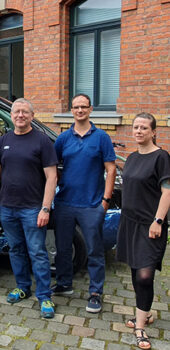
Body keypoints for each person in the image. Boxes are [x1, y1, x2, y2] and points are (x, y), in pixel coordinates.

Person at [0, 98, 58, 319]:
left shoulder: (42, 141)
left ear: (32, 116)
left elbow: (52, 176)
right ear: (11, 115)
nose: (20, 115)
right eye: (16, 111)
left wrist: (45, 208)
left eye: (24, 112)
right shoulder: (3, 140)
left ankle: (45, 296)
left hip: (32, 208)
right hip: (7, 208)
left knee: (37, 252)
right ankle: (23, 287)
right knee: (16, 250)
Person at [52, 93, 116, 313]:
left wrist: (105, 201)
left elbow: (111, 169)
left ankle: (96, 292)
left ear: (90, 110)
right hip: (65, 203)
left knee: (95, 250)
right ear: (71, 110)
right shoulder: (63, 138)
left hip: (91, 204)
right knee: (62, 248)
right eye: (76, 107)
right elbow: (53, 168)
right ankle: (64, 284)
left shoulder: (101, 137)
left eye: (83, 107)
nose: (79, 110)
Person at [116, 113, 170, 350]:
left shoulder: (161, 157)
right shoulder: (132, 157)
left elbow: (167, 191)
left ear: (153, 132)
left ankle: (140, 327)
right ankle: (144, 313)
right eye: (136, 127)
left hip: (151, 225)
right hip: (130, 223)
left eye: (144, 128)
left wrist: (158, 220)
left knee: (145, 275)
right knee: (136, 270)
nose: (138, 131)